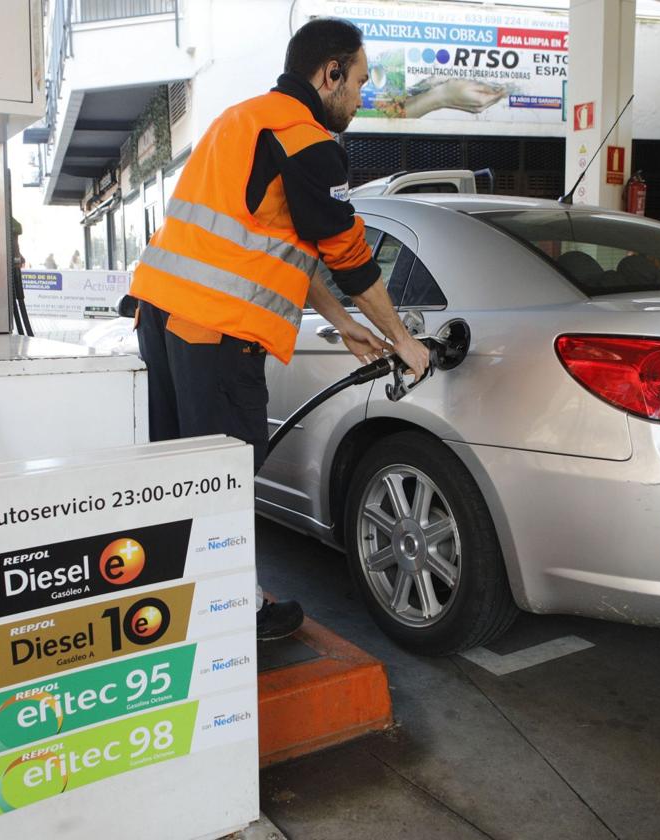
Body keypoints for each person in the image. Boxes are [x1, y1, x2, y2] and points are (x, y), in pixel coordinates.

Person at [129, 17, 430, 641]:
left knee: (180, 474)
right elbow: (345, 251)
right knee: (222, 477)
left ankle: (179, 604)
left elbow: (278, 246)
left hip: (161, 317)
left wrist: (343, 323)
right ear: (330, 73)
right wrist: (404, 340)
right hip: (214, 332)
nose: (361, 96)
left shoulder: (240, 121)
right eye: (359, 81)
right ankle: (235, 613)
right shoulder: (306, 137)